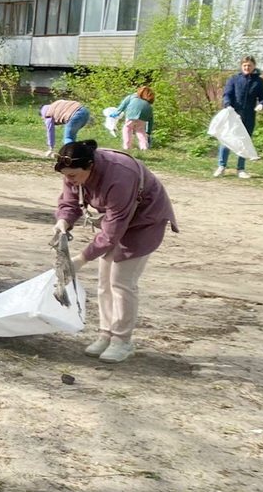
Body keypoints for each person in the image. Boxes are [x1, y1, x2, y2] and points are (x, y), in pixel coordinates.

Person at [52, 140, 178, 364]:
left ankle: (122, 341)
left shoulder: (120, 176)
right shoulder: (74, 171)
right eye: (66, 176)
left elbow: (111, 233)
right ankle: (106, 334)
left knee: (121, 282)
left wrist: (81, 259)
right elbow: (70, 201)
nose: (68, 180)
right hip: (117, 221)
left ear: (90, 166)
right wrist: (63, 221)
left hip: (143, 223)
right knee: (105, 282)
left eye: (72, 176)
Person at [215, 56, 263, 178]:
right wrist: (228, 105)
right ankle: (221, 166)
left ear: (254, 66)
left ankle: (241, 169)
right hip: (233, 114)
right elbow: (227, 94)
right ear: (241, 66)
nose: (247, 68)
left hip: (249, 116)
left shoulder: (258, 82)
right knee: (227, 140)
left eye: (249, 65)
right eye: (245, 65)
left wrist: (261, 104)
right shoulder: (234, 79)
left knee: (244, 141)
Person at [114, 86, 155, 151]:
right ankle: (144, 146)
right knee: (140, 130)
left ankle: (127, 146)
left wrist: (117, 113)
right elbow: (150, 120)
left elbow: (123, 105)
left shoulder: (132, 97)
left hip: (131, 115)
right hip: (143, 117)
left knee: (127, 128)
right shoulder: (149, 106)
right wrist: (148, 132)